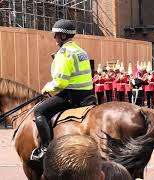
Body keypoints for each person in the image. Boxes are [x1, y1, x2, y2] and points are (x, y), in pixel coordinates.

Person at [31, 19, 94, 161]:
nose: (54, 38)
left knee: (39, 111)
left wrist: (47, 88)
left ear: (63, 36)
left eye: (56, 35)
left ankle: (46, 148)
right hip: (88, 94)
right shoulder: (81, 51)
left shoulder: (64, 53)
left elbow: (60, 82)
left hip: (72, 96)